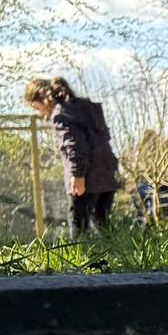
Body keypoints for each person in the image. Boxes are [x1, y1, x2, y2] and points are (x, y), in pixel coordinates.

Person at [25, 77, 119, 237]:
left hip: (87, 177)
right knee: (102, 224)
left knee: (78, 225)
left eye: (37, 108)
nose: (40, 113)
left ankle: (79, 259)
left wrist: (77, 174)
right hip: (107, 172)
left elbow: (75, 145)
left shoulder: (60, 114)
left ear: (43, 99)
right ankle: (113, 257)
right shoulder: (85, 108)